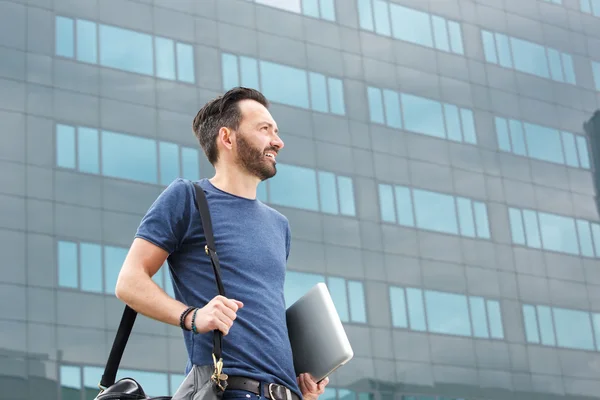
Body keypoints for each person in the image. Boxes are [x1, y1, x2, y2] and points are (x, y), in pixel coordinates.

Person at [115, 87, 329, 400]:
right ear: (227, 138)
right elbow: (129, 282)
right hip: (229, 390)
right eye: (264, 129)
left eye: (277, 132)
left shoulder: (279, 226)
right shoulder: (188, 198)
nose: (278, 142)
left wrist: (297, 383)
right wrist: (193, 316)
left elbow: (262, 313)